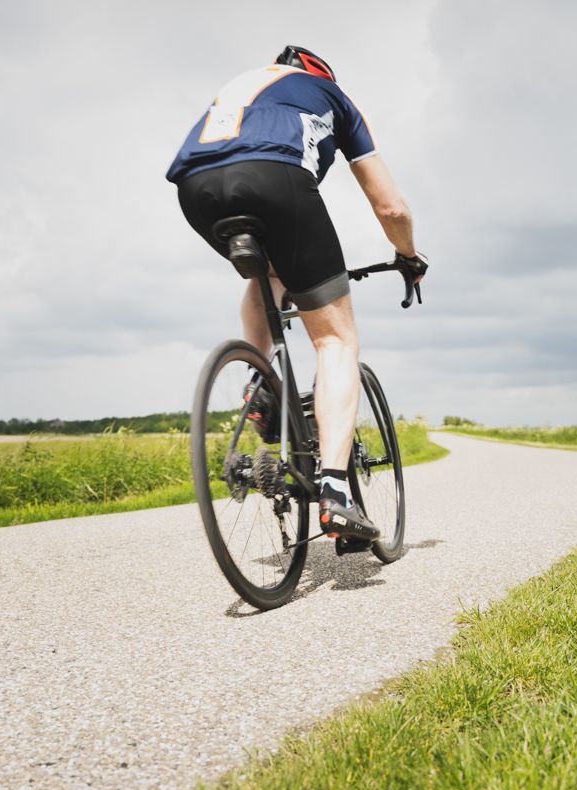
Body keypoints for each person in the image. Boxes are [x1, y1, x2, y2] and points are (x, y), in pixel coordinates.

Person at [167, 45, 427, 542]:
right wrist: (408, 256)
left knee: (269, 275)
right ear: (321, 75)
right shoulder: (333, 95)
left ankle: (260, 382)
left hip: (195, 186)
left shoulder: (241, 87)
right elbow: (391, 208)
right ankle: (336, 493)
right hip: (275, 178)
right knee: (336, 340)